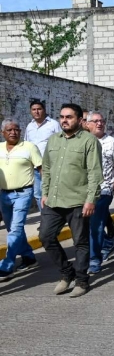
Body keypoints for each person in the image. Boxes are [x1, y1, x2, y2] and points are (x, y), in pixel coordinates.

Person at [38, 103, 103, 298]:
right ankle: (67, 273)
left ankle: (82, 281)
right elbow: (47, 168)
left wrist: (91, 200)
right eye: (62, 117)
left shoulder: (89, 141)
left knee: (80, 242)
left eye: (69, 117)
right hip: (54, 200)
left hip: (78, 201)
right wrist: (44, 192)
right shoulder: (53, 140)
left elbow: (94, 172)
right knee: (46, 236)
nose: (64, 120)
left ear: (80, 120)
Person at [0, 119, 42, 281]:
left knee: (16, 229)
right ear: (3, 133)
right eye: (9, 130)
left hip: (23, 194)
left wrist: (43, 192)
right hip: (4, 195)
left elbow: (41, 169)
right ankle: (28, 257)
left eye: (16, 129)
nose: (13, 132)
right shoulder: (0, 148)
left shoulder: (29, 147)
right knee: (12, 229)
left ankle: (7, 264)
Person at [85, 111, 114, 273]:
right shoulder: (82, 141)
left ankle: (94, 260)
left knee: (95, 225)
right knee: (86, 226)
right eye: (95, 121)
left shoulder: (111, 142)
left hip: (104, 190)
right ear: (87, 124)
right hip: (83, 191)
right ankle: (107, 244)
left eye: (101, 121)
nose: (99, 124)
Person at [24, 100, 61, 212]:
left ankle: (54, 217)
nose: (36, 112)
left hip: (50, 166)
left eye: (39, 109)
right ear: (31, 111)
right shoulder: (29, 126)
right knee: (38, 194)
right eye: (34, 110)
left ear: (44, 110)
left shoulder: (53, 124)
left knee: (50, 192)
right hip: (34, 167)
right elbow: (27, 144)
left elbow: (61, 142)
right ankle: (44, 217)